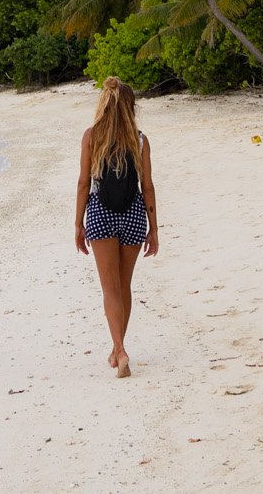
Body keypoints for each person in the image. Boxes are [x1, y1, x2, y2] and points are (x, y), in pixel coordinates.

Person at [74, 77, 157, 378]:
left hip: (100, 214)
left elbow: (85, 182)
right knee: (124, 287)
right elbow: (146, 185)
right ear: (130, 107)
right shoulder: (141, 140)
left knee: (109, 290)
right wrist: (154, 229)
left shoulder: (91, 136)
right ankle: (117, 346)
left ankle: (119, 349)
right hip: (134, 214)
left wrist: (78, 224)